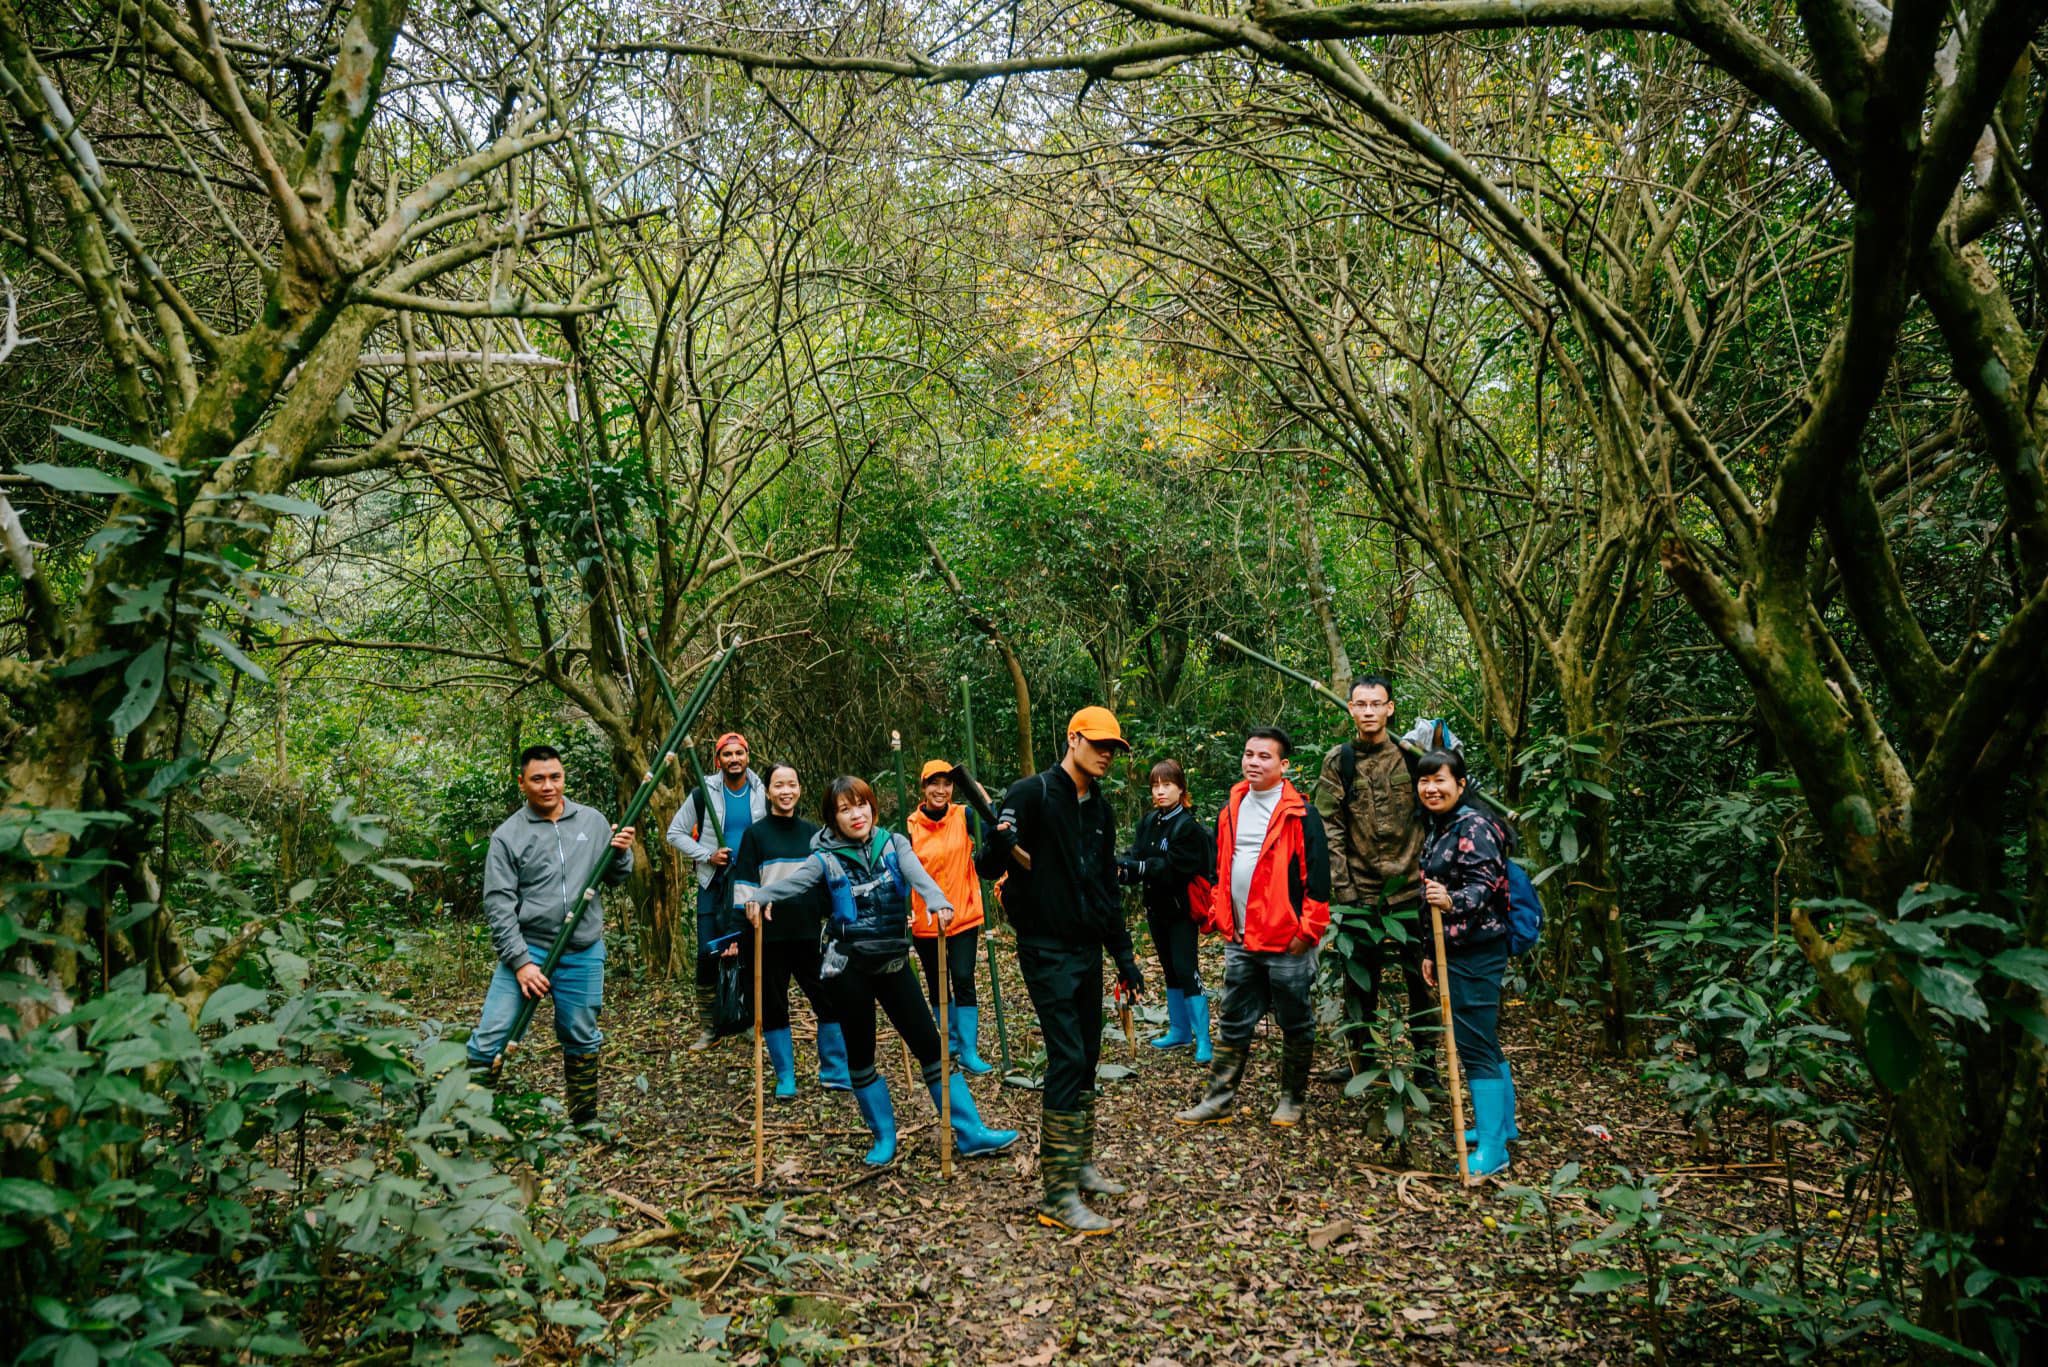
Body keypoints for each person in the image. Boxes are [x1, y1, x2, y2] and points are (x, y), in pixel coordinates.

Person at [745, 776, 1018, 1165]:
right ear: (831, 818)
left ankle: (970, 1131)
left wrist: (939, 903)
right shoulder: (824, 857)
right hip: (847, 966)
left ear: (872, 806)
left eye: (862, 805)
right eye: (845, 809)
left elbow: (918, 876)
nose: (856, 814)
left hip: (891, 961)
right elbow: (793, 885)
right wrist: (757, 897)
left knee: (931, 1044)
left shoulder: (893, 843)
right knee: (861, 1055)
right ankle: (883, 1136)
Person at [977, 706, 1146, 1235]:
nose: (1105, 755)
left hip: (1087, 948)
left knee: (1089, 1054)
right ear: (1072, 739)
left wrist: (1125, 956)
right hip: (1044, 947)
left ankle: (1079, 1164)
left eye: (1112, 749)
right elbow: (986, 868)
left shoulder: (1100, 808)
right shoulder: (1031, 793)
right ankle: (1056, 1194)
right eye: (1097, 744)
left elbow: (1103, 886)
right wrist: (998, 844)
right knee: (1067, 1055)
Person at [466, 744, 637, 1127]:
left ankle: (583, 1120)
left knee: (581, 1033)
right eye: (538, 779)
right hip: (530, 949)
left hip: (583, 948)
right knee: (492, 1036)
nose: (548, 786)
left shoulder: (591, 821)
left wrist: (622, 853)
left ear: (564, 777)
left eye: (555, 777)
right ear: (522, 783)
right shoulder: (507, 836)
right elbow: (498, 905)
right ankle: (469, 1124)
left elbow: (616, 876)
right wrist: (522, 963)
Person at [1177, 727, 1330, 1128]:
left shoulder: (1301, 814)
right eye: (1249, 754)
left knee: (1295, 1019)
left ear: (1284, 765)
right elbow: (1221, 866)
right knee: (1233, 1017)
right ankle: (1218, 1100)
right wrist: (1218, 910)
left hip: (1286, 938)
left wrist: (1307, 931)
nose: (1254, 762)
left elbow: (1318, 878)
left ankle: (1292, 1099)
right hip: (1241, 936)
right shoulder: (1231, 809)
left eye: (1264, 757)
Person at [1314, 675, 1434, 1089]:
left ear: (1390, 708)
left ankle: (1428, 1068)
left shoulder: (1413, 756)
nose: (1368, 712)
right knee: (1360, 983)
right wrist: (1343, 888)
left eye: (1375, 704)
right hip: (1360, 892)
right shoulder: (1339, 761)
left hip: (1412, 890)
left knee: (1423, 982)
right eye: (1360, 704)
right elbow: (1329, 826)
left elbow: (1438, 809)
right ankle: (1360, 1065)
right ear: (1350, 709)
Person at [1414, 747, 1516, 1176]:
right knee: (1483, 1037)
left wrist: (1452, 900)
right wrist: (1428, 952)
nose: (1431, 788)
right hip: (1453, 947)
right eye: (1424, 781)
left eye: (1441, 780)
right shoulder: (1443, 825)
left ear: (1461, 784)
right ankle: (1503, 1126)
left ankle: (1494, 1148)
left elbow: (1482, 886)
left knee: (1473, 1042)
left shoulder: (1476, 824)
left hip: (1477, 949)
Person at [729, 763, 851, 1097]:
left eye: (792, 784)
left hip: (810, 933)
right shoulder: (755, 835)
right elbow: (744, 886)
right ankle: (786, 1076)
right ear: (767, 791)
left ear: (799, 789)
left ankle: (835, 1070)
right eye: (779, 785)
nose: (786, 791)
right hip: (767, 936)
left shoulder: (814, 834)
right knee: (773, 1005)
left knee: (827, 999)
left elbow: (828, 884)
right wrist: (744, 924)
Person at [665, 732, 767, 1051]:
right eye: (727, 754)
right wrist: (706, 854)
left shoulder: (762, 792)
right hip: (714, 883)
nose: (734, 759)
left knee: (750, 953)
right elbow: (675, 832)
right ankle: (710, 1028)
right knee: (708, 954)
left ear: (748, 756)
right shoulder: (703, 793)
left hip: (750, 885)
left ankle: (750, 1022)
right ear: (718, 760)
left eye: (739, 753)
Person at [1116, 759, 1215, 1062]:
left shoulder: (1189, 827)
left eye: (1167, 785)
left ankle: (1203, 1039)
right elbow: (1137, 854)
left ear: (1180, 788)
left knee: (1186, 969)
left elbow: (1172, 868)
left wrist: (1140, 867)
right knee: (1169, 968)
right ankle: (1179, 1030)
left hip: (1182, 911)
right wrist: (1122, 866)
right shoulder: (1149, 822)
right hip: (1156, 909)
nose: (1160, 791)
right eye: (1155, 786)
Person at [907, 759, 993, 1074]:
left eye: (946, 784)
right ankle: (951, 1041)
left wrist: (986, 803)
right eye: (934, 783)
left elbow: (993, 831)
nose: (941, 790)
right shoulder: (910, 826)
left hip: (963, 914)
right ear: (924, 787)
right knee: (937, 983)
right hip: (927, 920)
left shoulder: (963, 815)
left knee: (963, 977)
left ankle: (969, 1050)